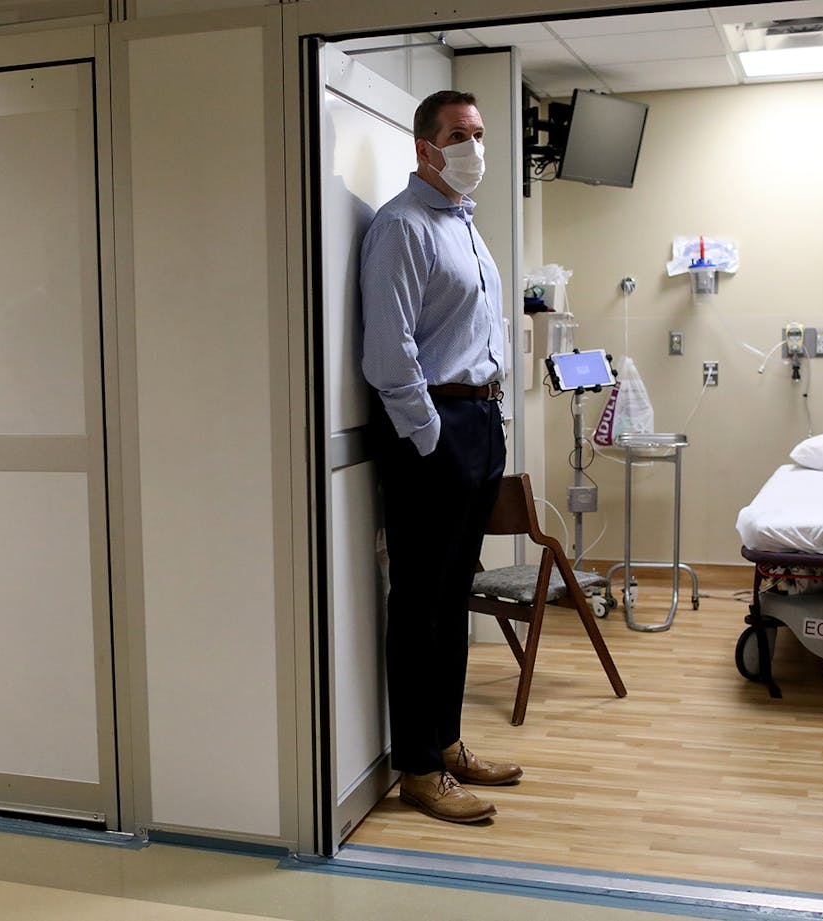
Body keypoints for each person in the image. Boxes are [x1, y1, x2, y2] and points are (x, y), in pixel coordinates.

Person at [359, 90, 523, 824]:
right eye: (460, 134)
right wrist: (429, 437)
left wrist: (489, 425)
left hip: (478, 424)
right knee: (420, 603)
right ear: (425, 147)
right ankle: (419, 768)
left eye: (480, 133)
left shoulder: (464, 226)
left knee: (453, 597)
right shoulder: (401, 228)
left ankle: (448, 742)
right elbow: (388, 352)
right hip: (435, 430)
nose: (474, 146)